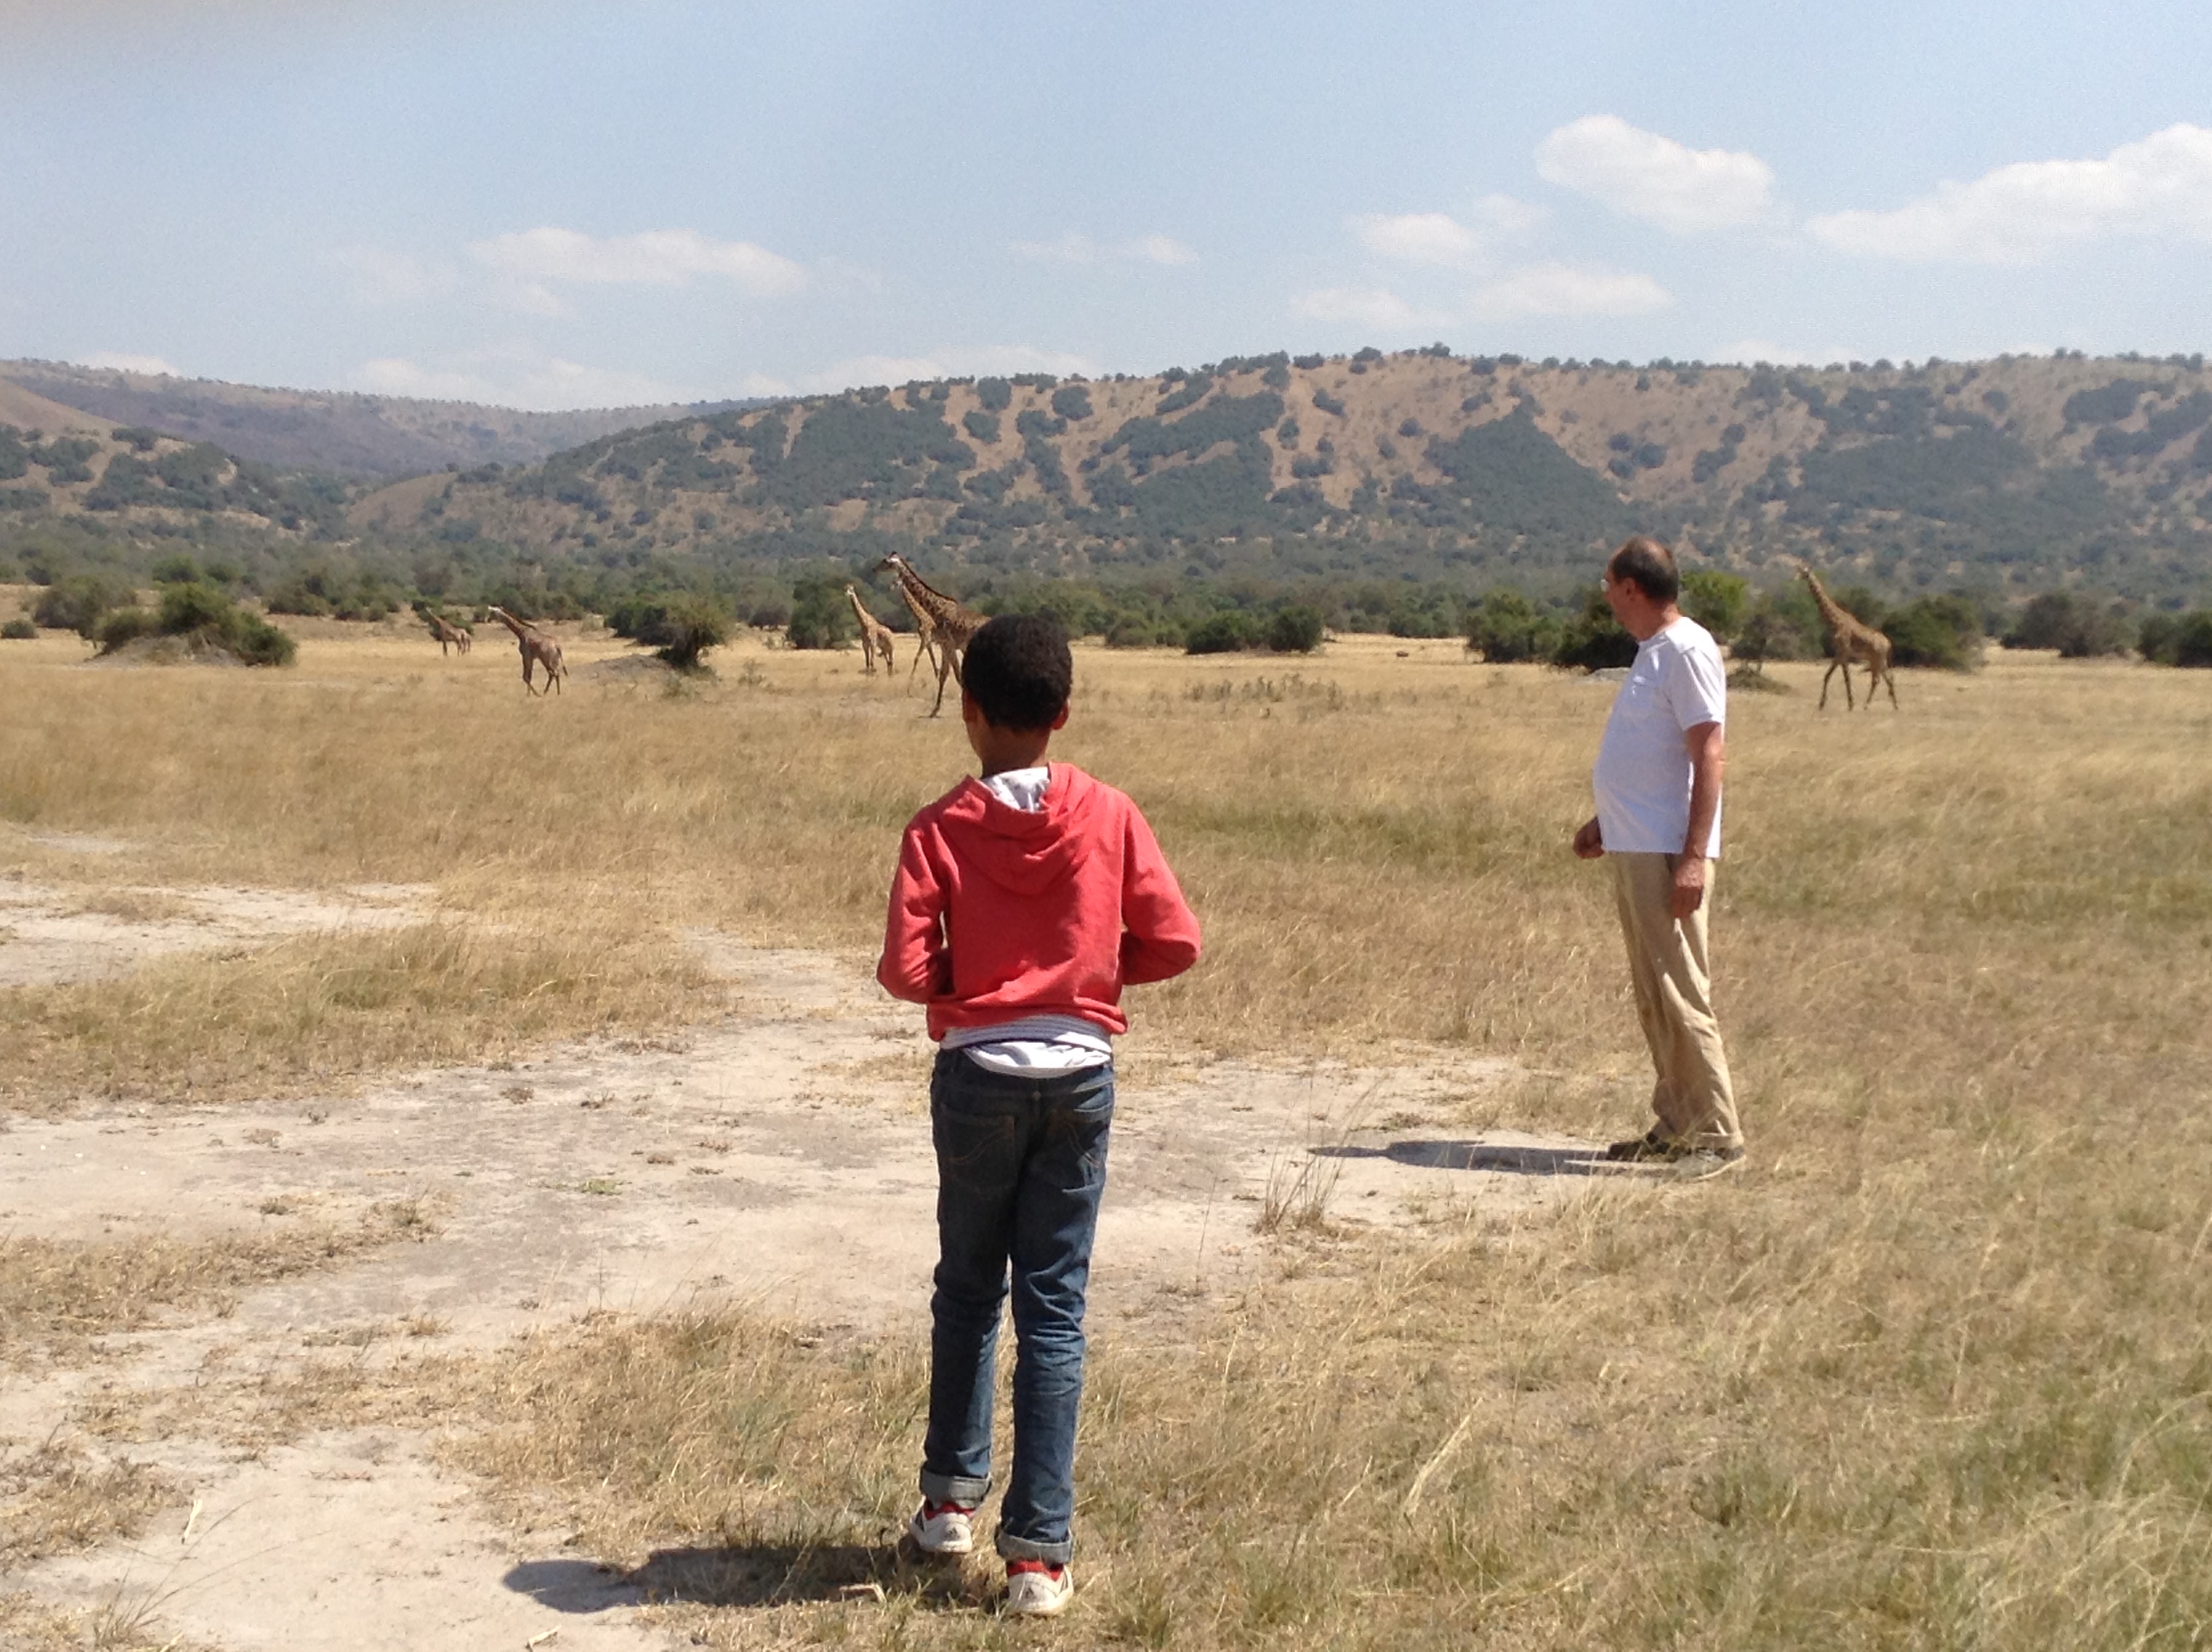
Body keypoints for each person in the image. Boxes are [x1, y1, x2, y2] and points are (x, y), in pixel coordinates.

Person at [877, 613, 1202, 1617]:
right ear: (1063, 713)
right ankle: (1038, 1558)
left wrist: (966, 989)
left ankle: (947, 1502)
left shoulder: (938, 828)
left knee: (968, 1288)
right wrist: (1090, 978)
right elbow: (1176, 940)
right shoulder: (1111, 814)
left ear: (967, 709)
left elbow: (904, 968)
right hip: (1079, 1076)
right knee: (1054, 1308)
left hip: (979, 1073)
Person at [1571, 537, 1746, 1169]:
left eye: (1609, 586)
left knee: (1680, 990)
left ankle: (1717, 1135)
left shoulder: (1688, 649)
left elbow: (1709, 753)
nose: (1606, 598)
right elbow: (1655, 756)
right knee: (1654, 992)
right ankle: (1677, 1125)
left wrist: (1694, 857)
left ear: (1631, 588)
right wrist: (1607, 819)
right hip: (1637, 842)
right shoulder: (1654, 652)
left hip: (1668, 851)